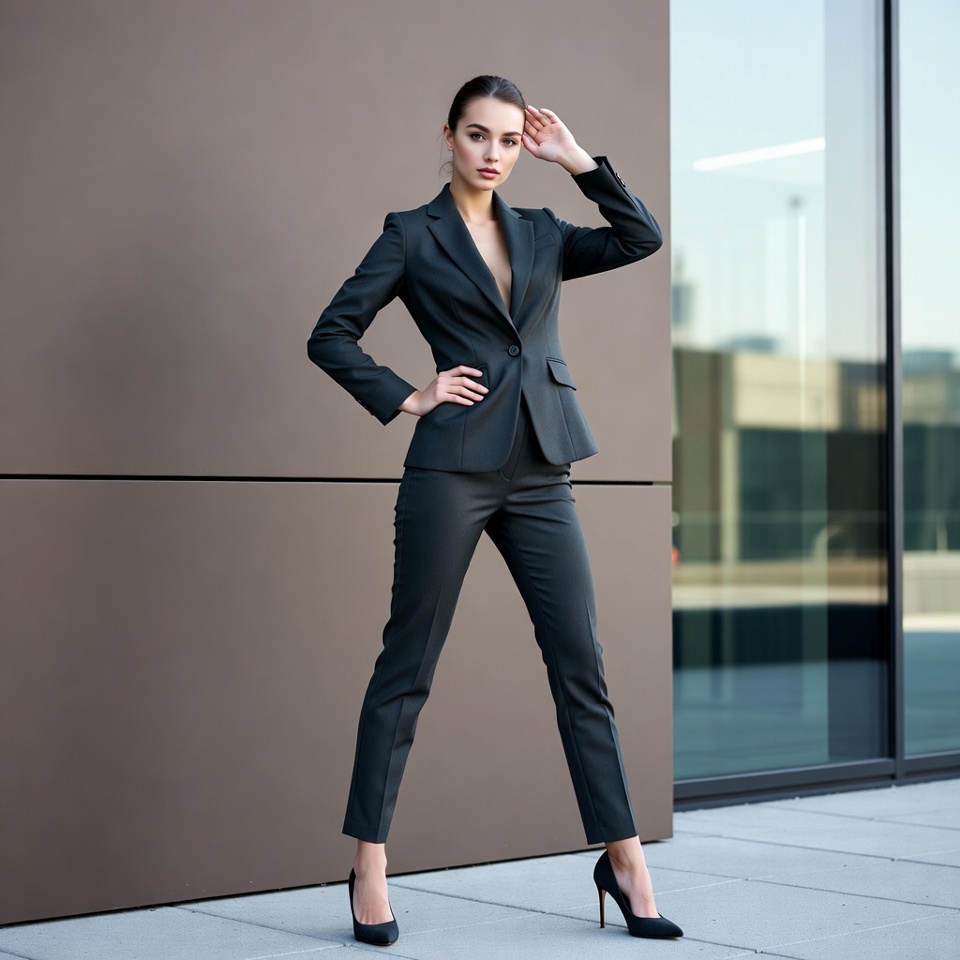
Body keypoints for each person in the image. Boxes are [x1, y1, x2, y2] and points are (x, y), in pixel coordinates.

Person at [308, 75, 682, 946]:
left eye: (510, 140)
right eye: (478, 135)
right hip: (452, 469)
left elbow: (640, 237)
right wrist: (407, 394)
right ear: (449, 136)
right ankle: (369, 863)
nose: (494, 153)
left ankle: (625, 861)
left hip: (543, 468)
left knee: (581, 665)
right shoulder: (412, 234)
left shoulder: (544, 231)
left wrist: (578, 162)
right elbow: (332, 333)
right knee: (408, 666)